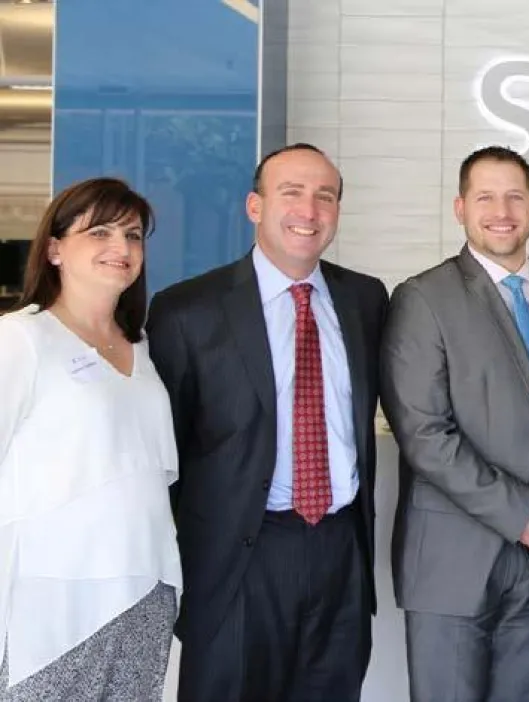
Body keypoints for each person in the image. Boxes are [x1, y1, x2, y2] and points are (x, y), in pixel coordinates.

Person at [145, 143, 389, 701]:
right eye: (292, 193)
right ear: (254, 206)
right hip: (239, 557)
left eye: (324, 197)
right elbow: (167, 454)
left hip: (340, 552)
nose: (309, 210)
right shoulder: (187, 310)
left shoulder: (365, 299)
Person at [379, 145, 529, 702]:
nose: (501, 210)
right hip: (452, 563)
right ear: (460, 208)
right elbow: (425, 436)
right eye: (485, 197)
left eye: (514, 197)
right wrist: (524, 513)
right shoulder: (421, 298)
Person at [0, 178, 180, 701]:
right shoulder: (21, 338)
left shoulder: (142, 348)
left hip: (146, 590)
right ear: (55, 248)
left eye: (133, 235)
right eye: (99, 231)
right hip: (51, 601)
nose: (120, 248)